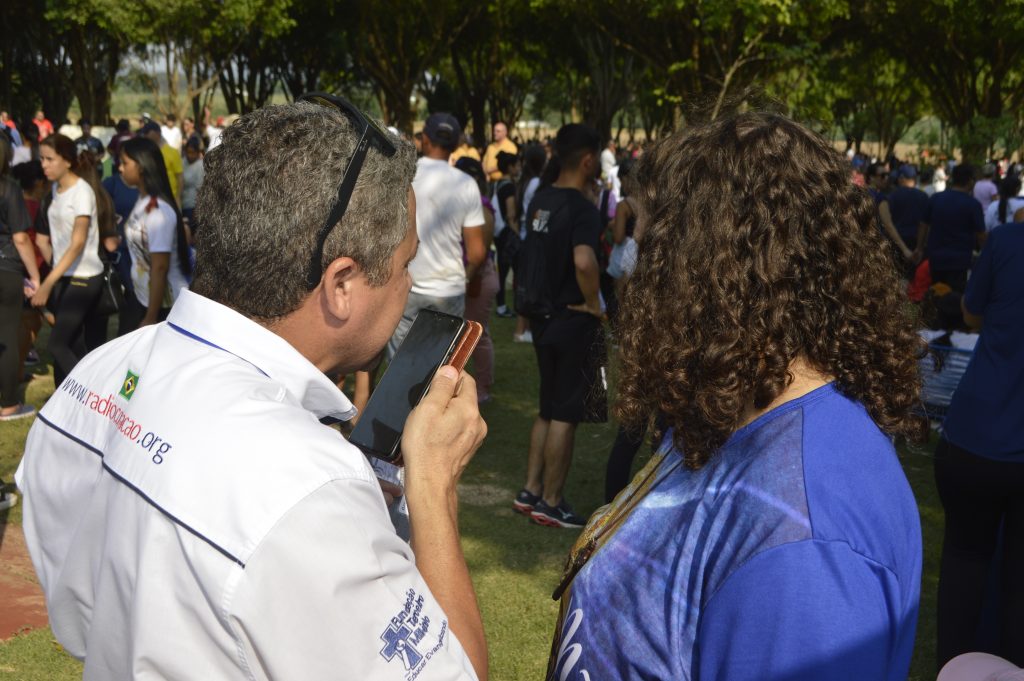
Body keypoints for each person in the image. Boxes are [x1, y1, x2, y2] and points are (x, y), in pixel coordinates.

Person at [17, 97, 489, 680]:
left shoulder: (93, 377)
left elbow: (77, 605)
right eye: (405, 262)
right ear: (341, 283)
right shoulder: (310, 488)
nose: (410, 281)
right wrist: (432, 485)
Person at [547, 112, 923, 680]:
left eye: (653, 258)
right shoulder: (729, 410)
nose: (640, 288)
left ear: (710, 273)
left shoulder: (806, 546)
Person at [934, 219, 1024, 669]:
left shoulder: (1007, 241)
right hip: (985, 438)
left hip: (976, 435)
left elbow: (971, 312)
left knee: (964, 571)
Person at [513, 123, 607, 529]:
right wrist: (594, 303)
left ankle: (531, 490)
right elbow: (584, 261)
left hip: (541, 316)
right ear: (588, 160)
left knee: (547, 407)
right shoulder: (583, 210)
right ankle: (551, 502)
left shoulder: (542, 199)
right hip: (572, 318)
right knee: (566, 412)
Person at [388, 112, 485, 356]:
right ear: (454, 145)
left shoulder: (404, 175)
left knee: (401, 367)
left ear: (425, 140)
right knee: (439, 367)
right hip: (449, 289)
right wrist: (464, 279)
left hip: (407, 286)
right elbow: (477, 253)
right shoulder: (466, 183)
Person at [31, 134, 106, 386]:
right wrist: (55, 270)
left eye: (50, 159)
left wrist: (48, 282)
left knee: (57, 343)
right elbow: (51, 240)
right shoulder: (55, 189)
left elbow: (77, 243)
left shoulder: (81, 193)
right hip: (64, 274)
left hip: (84, 276)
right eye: (41, 158)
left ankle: (87, 396)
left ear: (68, 161)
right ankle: (69, 400)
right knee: (72, 343)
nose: (44, 165)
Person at [118, 137, 192, 331]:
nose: (120, 168)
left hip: (164, 306)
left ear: (141, 166)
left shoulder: (158, 211)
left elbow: (160, 267)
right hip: (145, 298)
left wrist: (151, 317)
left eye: (125, 163)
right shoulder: (144, 201)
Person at [0, 136, 41, 421]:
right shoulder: (9, 190)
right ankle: (9, 404)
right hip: (6, 268)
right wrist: (36, 276)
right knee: (6, 335)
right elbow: (20, 239)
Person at [455, 157, 499, 404]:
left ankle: (483, 386)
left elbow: (480, 252)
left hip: (477, 278)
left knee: (477, 334)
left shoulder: (482, 206)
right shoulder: (464, 204)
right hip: (466, 277)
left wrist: (467, 278)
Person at [916, 164, 985, 293]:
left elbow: (923, 225)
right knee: (954, 297)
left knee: (936, 293)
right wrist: (985, 253)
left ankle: (935, 311)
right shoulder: (973, 204)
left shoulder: (936, 198)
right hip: (960, 260)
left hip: (936, 258)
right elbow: (981, 234)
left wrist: (919, 248)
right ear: (970, 181)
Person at [880, 164, 929, 275]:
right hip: (916, 243)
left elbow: (887, 222)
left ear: (901, 178)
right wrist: (920, 247)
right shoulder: (924, 196)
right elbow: (925, 224)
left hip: (896, 242)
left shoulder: (891, 196)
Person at [141, 121, 183, 204]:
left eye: (147, 132)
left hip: (170, 199)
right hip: (152, 200)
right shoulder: (145, 153)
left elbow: (180, 178)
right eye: (144, 133)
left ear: (157, 133)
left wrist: (178, 198)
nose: (145, 135)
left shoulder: (172, 152)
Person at [181, 136, 205, 235]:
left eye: (192, 153)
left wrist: (197, 208)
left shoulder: (200, 166)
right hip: (182, 202)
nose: (190, 155)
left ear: (197, 153)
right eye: (188, 152)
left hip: (192, 205)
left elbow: (200, 188)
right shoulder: (183, 162)